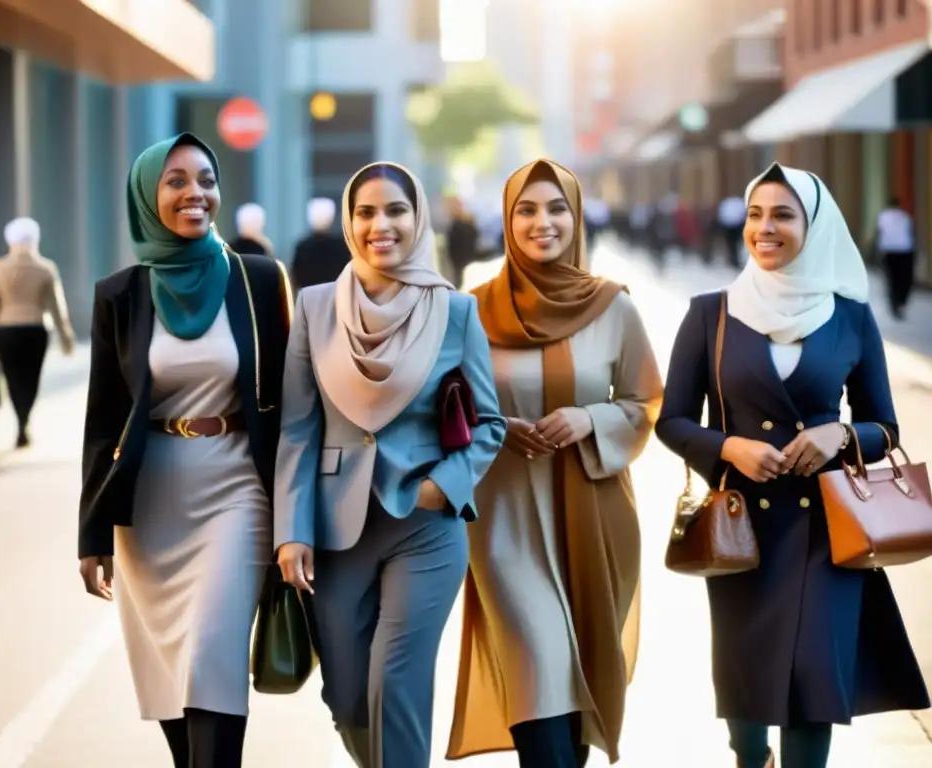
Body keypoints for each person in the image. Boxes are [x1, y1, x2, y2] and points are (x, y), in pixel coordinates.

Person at [654, 163, 929, 768]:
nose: (765, 228)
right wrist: (729, 448)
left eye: (783, 215)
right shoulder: (711, 313)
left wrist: (841, 433)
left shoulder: (851, 317)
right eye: (755, 214)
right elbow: (671, 420)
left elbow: (886, 429)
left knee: (812, 689)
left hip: (826, 534)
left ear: (815, 225)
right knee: (748, 714)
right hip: (741, 535)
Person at [273, 161, 506, 768]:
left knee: (397, 684)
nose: (382, 225)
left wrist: (443, 486)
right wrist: (291, 529)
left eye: (396, 210)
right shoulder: (315, 307)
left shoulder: (456, 311)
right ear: (350, 223)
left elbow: (490, 424)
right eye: (366, 212)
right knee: (348, 697)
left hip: (427, 528)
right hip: (335, 530)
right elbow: (298, 427)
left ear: (417, 218)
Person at [77, 133, 292, 768]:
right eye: (175, 181)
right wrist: (91, 536)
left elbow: (292, 398)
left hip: (236, 491)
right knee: (171, 685)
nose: (195, 193)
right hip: (149, 507)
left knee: (211, 664)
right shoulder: (119, 294)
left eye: (205, 178)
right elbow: (102, 422)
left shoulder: (256, 281)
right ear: (148, 195)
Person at [447, 159, 663, 768]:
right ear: (507, 219)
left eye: (556, 208)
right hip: (502, 524)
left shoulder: (613, 306)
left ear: (576, 216)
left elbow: (646, 401)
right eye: (527, 209)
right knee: (536, 662)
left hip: (594, 520)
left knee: (576, 683)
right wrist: (497, 428)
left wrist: (589, 419)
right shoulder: (472, 311)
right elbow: (449, 406)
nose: (543, 222)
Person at [0, 216, 75, 448]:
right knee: (31, 379)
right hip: (35, 331)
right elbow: (57, 307)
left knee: (12, 379)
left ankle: (20, 420)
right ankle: (25, 420)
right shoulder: (46, 268)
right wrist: (66, 339)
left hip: (6, 331)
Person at [290, 197, 351, 292]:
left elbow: (295, 279)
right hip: (335, 299)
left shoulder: (302, 247)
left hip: (309, 300)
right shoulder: (341, 246)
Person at [875, 196, 915, 319]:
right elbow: (911, 233)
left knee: (891, 278)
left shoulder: (882, 216)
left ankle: (894, 302)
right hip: (904, 250)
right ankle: (901, 301)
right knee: (904, 279)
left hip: (889, 250)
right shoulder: (905, 217)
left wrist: (876, 250)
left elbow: (878, 232)